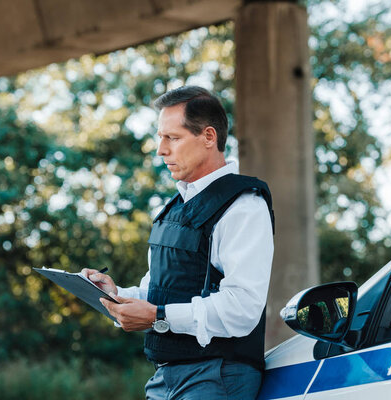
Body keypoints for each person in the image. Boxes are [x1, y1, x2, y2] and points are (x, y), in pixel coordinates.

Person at [82, 86, 274, 399]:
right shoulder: (173, 209)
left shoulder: (244, 206)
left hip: (217, 377)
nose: (161, 150)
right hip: (164, 377)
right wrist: (117, 295)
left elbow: (243, 308)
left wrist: (158, 316)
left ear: (209, 137)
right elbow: (156, 292)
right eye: (160, 137)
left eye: (173, 137)